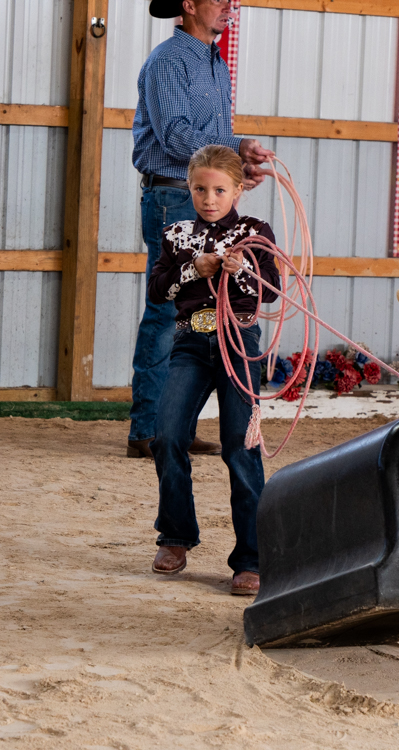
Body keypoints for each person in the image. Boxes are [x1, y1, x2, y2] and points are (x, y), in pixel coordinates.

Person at [128, 0, 274, 459]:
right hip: (174, 195)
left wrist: (234, 171)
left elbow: (202, 141)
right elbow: (175, 135)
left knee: (195, 308)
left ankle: (173, 426)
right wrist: (235, 147)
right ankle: (149, 431)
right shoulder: (170, 61)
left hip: (193, 191)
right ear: (189, 4)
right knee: (169, 308)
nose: (230, 6)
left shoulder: (213, 61)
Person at [147, 145, 280, 596]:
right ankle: (175, 537)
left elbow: (273, 292)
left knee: (240, 446)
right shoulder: (176, 234)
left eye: (219, 190)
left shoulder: (255, 233)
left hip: (237, 341)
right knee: (166, 433)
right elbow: (158, 291)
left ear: (238, 190)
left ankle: (252, 559)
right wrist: (192, 269)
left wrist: (240, 271)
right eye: (201, 189)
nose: (209, 198)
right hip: (190, 341)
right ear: (189, 187)